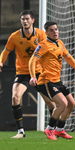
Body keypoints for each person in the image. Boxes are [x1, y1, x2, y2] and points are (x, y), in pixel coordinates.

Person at [0, 10, 56, 139]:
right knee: (15, 97)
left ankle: (54, 129)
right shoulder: (15, 36)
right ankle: (21, 131)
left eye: (27, 19)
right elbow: (6, 51)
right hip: (23, 73)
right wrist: (1, 62)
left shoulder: (41, 35)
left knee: (51, 103)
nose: (25, 21)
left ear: (32, 20)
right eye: (22, 19)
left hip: (39, 72)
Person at [29, 21, 75, 140]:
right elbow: (32, 60)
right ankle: (49, 129)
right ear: (46, 33)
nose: (55, 32)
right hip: (46, 81)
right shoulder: (43, 45)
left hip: (57, 81)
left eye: (56, 29)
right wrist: (33, 76)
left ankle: (60, 130)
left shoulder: (59, 43)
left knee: (72, 104)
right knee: (63, 104)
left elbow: (69, 57)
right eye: (51, 30)